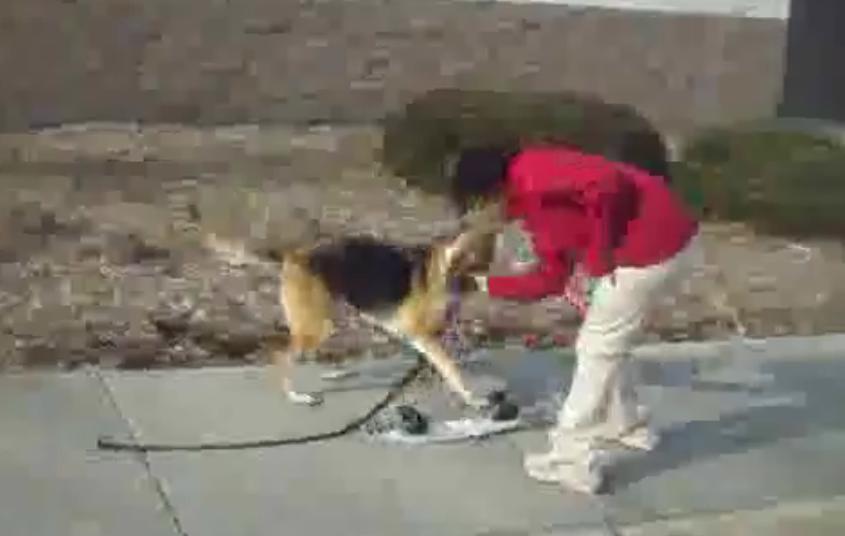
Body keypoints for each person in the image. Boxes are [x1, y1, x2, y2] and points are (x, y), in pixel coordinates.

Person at [450, 144, 700, 494]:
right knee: (608, 342)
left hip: (652, 246)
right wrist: (483, 284)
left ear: (489, 192)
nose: (480, 220)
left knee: (596, 350)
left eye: (475, 209)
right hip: (655, 247)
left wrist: (599, 255)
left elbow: (608, 182)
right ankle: (625, 424)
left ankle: (573, 462)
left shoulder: (532, 170)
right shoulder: (534, 214)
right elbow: (549, 278)